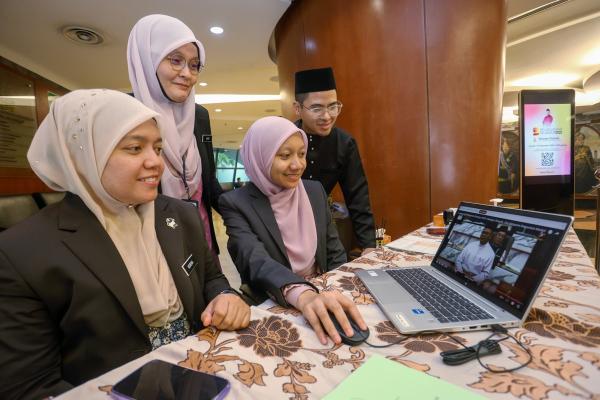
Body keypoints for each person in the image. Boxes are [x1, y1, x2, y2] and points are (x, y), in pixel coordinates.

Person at [0, 90, 249, 400]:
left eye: (158, 148)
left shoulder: (179, 214)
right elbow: (31, 385)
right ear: (85, 155)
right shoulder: (21, 251)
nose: (155, 162)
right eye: (134, 148)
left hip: (202, 376)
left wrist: (226, 296)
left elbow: (212, 279)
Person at [219, 116, 367, 345]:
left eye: (301, 154)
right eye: (285, 156)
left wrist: (334, 288)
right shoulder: (236, 203)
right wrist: (304, 294)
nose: (297, 165)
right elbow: (256, 261)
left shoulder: (314, 191)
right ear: (261, 157)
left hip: (323, 292)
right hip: (274, 299)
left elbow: (334, 250)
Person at [127, 14, 223, 264]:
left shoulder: (199, 116)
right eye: (176, 61)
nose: (187, 74)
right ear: (149, 60)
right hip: (153, 249)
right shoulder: (124, 115)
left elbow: (208, 182)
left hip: (202, 240)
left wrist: (249, 210)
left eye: (194, 65)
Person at [293, 67, 375, 252]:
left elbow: (358, 197)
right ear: (297, 108)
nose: (327, 116)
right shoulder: (283, 139)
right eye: (317, 108)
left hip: (320, 228)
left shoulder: (344, 143)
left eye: (332, 106)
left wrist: (368, 246)